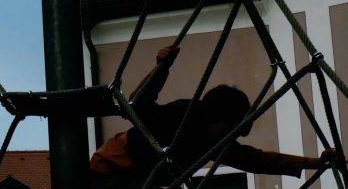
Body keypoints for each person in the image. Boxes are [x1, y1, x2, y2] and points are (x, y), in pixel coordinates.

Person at [90, 45, 336, 188]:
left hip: (141, 178)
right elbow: (137, 105)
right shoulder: (181, 115)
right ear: (215, 119)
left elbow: (259, 160)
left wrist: (315, 162)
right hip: (111, 170)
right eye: (229, 129)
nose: (229, 138)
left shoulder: (216, 143)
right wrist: (161, 68)